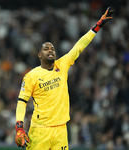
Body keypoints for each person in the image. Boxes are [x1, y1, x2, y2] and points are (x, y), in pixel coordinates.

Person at [15, 7, 115, 150]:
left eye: (53, 49)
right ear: (39, 55)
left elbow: (79, 46)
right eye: (46, 49)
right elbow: (21, 102)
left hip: (61, 130)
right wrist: (19, 127)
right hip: (40, 131)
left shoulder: (62, 64)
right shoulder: (31, 76)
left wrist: (97, 26)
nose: (51, 50)